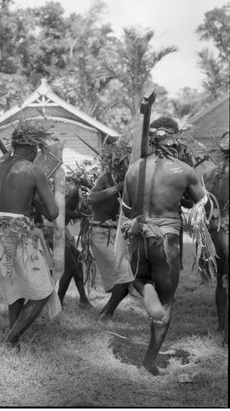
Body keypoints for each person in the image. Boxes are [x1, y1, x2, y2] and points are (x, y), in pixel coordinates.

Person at [121, 117, 207, 375]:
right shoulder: (183, 170)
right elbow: (202, 205)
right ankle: (149, 361)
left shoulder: (134, 168)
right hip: (166, 240)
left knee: (138, 277)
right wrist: (181, 199)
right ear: (177, 139)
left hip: (138, 235)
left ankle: (145, 288)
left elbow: (126, 208)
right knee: (166, 302)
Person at [0, 119, 60, 348]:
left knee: (15, 287)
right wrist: (34, 201)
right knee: (43, 292)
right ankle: (11, 338)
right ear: (34, 149)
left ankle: (13, 342)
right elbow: (52, 212)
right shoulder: (33, 169)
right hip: (17, 231)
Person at [85, 137, 134, 324]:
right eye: (123, 163)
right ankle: (106, 315)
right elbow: (91, 199)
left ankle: (105, 314)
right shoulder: (105, 178)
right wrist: (116, 188)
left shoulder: (130, 181)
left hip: (119, 235)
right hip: (100, 234)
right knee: (124, 278)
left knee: (126, 279)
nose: (125, 166)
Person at [203, 130, 230, 344]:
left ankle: (222, 327)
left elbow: (206, 208)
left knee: (222, 279)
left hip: (215, 231)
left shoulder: (209, 173)